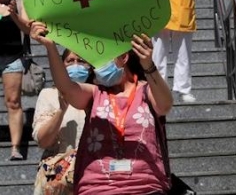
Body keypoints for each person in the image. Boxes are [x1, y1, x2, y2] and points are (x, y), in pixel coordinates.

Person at [30, 22, 173, 195]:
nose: (97, 68)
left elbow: (165, 105)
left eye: (102, 59)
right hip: (97, 187)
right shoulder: (95, 94)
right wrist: (50, 47)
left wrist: (149, 65)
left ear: (123, 58)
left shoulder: (147, 91)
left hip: (145, 187)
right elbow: (66, 88)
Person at [31, 49, 92, 193]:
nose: (76, 65)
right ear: (61, 66)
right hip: (58, 179)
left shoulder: (99, 94)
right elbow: (43, 141)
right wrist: (61, 111)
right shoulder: (49, 95)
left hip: (92, 176)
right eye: (70, 61)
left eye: (81, 61)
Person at [0, 0, 31, 160]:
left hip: (13, 58)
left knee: (13, 102)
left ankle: (15, 147)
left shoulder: (19, 2)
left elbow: (27, 29)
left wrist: (13, 14)